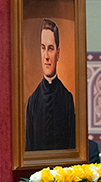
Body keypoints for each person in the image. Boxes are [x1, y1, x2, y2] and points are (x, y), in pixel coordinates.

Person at [26, 18, 75, 151]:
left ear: (58, 53)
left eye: (51, 48)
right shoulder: (32, 101)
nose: (46, 56)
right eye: (43, 48)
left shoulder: (67, 99)